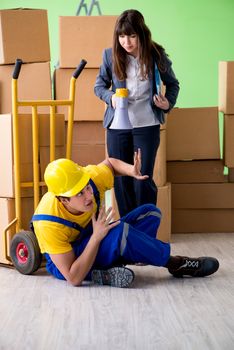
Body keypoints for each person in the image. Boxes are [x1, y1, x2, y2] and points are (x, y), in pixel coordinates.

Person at [31, 152, 219, 288]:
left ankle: (127, 257)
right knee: (121, 233)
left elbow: (110, 164)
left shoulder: (90, 179)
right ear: (63, 199)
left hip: (94, 234)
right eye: (79, 194)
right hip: (71, 262)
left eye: (87, 188)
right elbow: (72, 277)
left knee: (150, 213)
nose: (88, 195)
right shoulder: (48, 223)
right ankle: (176, 263)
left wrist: (132, 170)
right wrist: (97, 237)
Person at [94, 9, 180, 217]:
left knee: (142, 178)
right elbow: (99, 85)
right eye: (122, 36)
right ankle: (127, 229)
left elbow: (173, 84)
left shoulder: (156, 55)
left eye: (132, 35)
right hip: (117, 126)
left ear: (141, 34)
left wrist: (166, 103)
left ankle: (145, 229)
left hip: (147, 124)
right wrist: (110, 97)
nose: (127, 42)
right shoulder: (110, 55)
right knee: (121, 181)